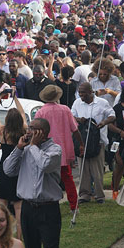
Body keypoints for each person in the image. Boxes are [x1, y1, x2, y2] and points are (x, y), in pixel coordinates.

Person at [2, 117, 63, 248]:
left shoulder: (55, 149)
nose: (28, 131)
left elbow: (45, 165)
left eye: (32, 129)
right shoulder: (25, 149)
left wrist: (33, 146)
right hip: (28, 208)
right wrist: (18, 148)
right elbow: (8, 170)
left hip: (48, 208)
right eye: (28, 128)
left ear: (42, 132)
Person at [34, 84, 82, 214]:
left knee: (47, 179)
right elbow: (75, 129)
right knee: (67, 178)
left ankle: (47, 203)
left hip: (46, 151)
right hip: (63, 150)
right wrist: (81, 143)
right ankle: (74, 206)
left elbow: (36, 131)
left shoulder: (41, 111)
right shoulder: (65, 109)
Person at [71, 82, 116, 205]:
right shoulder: (77, 103)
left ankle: (99, 195)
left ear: (91, 92)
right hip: (81, 140)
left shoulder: (102, 103)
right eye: (79, 92)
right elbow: (71, 116)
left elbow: (112, 115)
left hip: (97, 141)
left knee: (96, 170)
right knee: (83, 169)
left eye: (83, 92)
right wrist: (79, 119)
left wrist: (104, 122)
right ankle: (85, 194)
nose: (81, 95)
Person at [0, 91, 27, 239]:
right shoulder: (24, 130)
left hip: (5, 170)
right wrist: (15, 98)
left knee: (1, 206)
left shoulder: (2, 132)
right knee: (19, 208)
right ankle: (19, 240)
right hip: (19, 170)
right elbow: (23, 113)